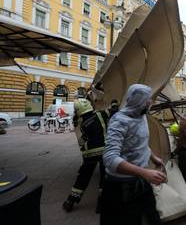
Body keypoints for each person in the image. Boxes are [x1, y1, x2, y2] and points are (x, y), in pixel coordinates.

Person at [100, 84, 166, 225]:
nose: (151, 102)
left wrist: (153, 158)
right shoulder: (120, 121)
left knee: (152, 218)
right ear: (140, 101)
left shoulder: (141, 116)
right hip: (120, 188)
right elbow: (110, 158)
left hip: (140, 182)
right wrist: (145, 173)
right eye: (149, 99)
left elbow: (138, 143)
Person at [63, 98, 110, 212]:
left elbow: (81, 140)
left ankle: (71, 200)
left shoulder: (80, 122)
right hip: (104, 151)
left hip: (89, 154)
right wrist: (113, 103)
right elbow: (114, 110)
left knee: (83, 176)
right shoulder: (101, 114)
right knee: (104, 179)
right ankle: (101, 204)